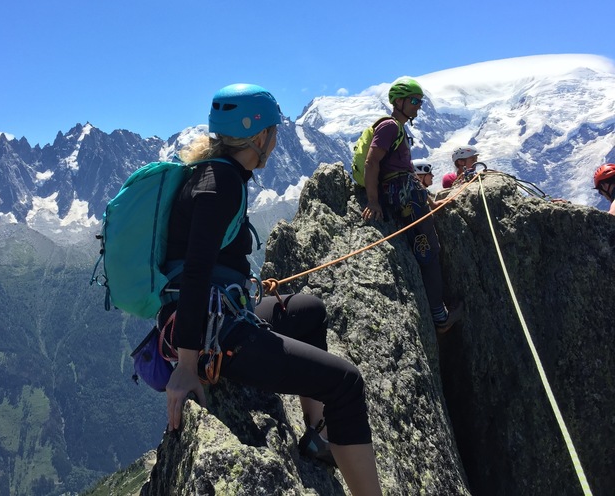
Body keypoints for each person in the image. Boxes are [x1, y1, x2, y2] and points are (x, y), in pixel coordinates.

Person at [162, 83, 382, 495]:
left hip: (219, 313)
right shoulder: (221, 184)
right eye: (274, 133)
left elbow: (204, 266)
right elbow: (194, 273)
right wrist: (188, 366)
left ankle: (316, 435)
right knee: (347, 383)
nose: (277, 142)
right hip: (218, 334)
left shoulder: (214, 173)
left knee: (310, 310)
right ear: (259, 136)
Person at [360, 77, 462, 334]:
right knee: (429, 251)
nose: (418, 106)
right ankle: (440, 317)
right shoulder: (390, 127)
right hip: (404, 197)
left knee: (428, 249)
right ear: (400, 101)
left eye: (420, 101)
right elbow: (372, 163)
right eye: (414, 101)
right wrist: (373, 201)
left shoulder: (396, 128)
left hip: (406, 193)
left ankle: (437, 310)